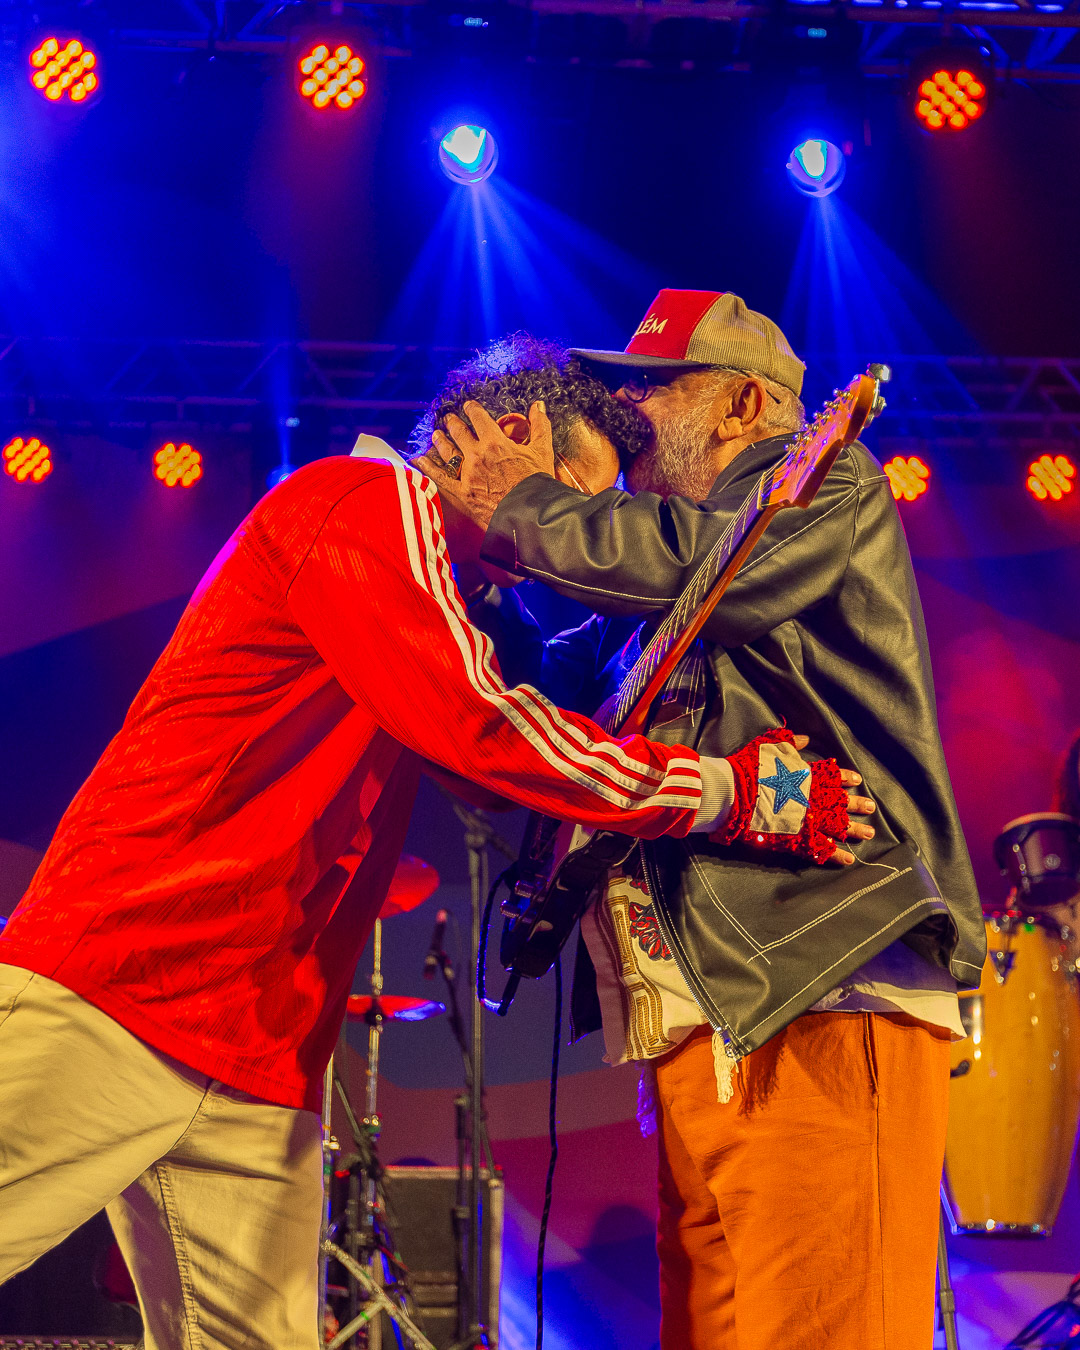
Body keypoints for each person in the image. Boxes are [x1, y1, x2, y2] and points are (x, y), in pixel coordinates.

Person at [0, 336, 870, 1350]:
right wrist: (725, 790)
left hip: (257, 1045)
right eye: (579, 492)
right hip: (125, 983)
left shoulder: (435, 584)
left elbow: (488, 769)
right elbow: (482, 727)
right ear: (512, 435)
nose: (579, 534)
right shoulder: (361, 501)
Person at [427, 294, 986, 1350]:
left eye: (652, 388)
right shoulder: (647, 584)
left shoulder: (820, 489)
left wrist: (528, 506)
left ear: (741, 403)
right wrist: (479, 575)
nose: (626, 412)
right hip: (707, 1020)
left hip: (819, 982)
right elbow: (535, 713)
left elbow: (699, 565)